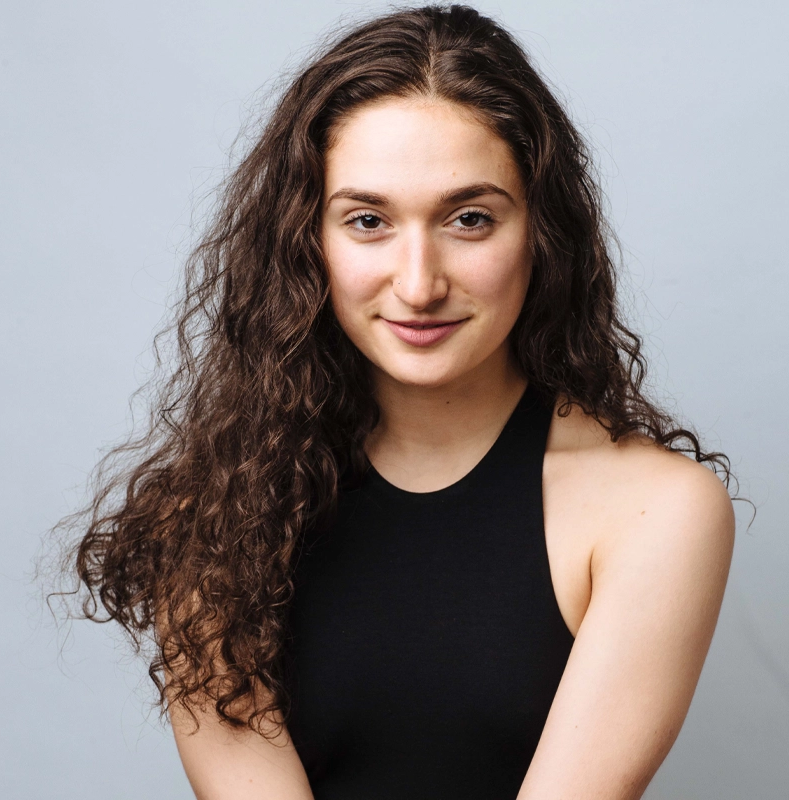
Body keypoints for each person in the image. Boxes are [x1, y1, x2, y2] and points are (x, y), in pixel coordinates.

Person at [57, 4, 737, 798]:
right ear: (306, 240)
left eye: (470, 219)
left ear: (541, 233)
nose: (418, 284)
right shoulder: (213, 513)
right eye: (368, 220)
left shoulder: (655, 511)